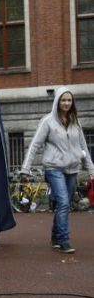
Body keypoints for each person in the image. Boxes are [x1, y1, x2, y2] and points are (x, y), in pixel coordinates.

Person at [20, 86, 94, 254]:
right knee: (63, 202)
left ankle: (55, 235)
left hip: (72, 168)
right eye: (63, 100)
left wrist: (91, 169)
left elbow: (84, 146)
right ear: (57, 101)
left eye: (69, 100)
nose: (66, 103)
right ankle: (63, 240)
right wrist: (25, 168)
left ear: (72, 102)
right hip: (54, 168)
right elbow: (34, 146)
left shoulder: (75, 121)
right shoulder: (48, 122)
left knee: (64, 203)